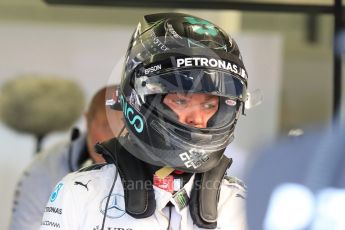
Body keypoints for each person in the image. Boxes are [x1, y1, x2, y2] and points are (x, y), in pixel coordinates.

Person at [40, 13, 248, 229]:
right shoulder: (80, 194)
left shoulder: (240, 205)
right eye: (181, 101)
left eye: (209, 105)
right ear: (141, 99)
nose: (197, 119)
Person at [9, 86, 123, 230]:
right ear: (87, 121)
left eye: (124, 128)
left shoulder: (154, 165)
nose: (117, 138)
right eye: (107, 127)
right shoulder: (43, 170)